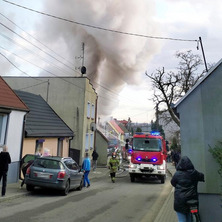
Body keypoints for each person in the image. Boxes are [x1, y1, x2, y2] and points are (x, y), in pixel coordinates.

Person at [171, 156, 205, 222]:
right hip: (192, 200)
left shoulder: (177, 174)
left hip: (180, 201)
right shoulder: (194, 173)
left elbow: (173, 183)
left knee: (182, 219)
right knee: (190, 218)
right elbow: (202, 176)